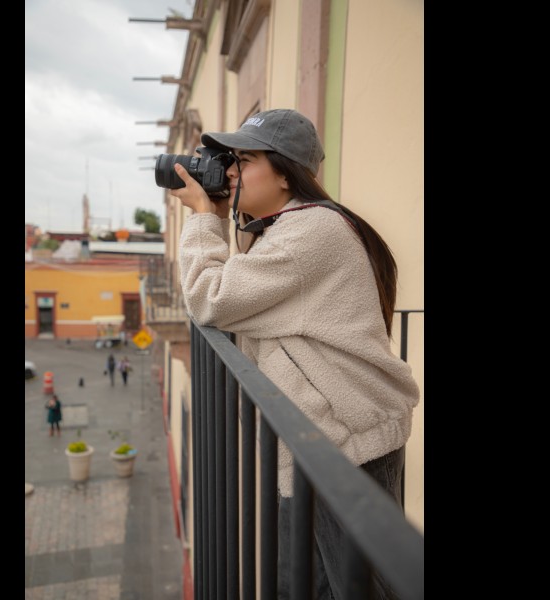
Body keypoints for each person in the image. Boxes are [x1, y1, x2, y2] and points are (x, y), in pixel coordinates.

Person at [170, 108, 420, 600]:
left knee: (357, 588)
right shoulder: (287, 228)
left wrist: (204, 218)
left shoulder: (311, 231)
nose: (230, 172)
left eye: (244, 160)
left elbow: (208, 298)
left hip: (343, 445)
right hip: (324, 435)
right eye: (230, 161)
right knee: (311, 585)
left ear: (286, 174)